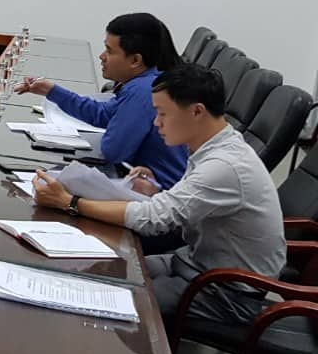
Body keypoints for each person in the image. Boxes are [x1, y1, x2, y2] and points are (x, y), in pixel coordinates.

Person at [31, 63, 284, 327]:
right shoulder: (214, 146)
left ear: (197, 111)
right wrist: (158, 191)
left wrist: (70, 202)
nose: (156, 122)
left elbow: (152, 220)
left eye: (163, 113)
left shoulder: (224, 165)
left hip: (224, 292)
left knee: (111, 301)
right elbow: (186, 204)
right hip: (195, 263)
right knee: (103, 270)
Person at [16, 13, 188, 189]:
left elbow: (113, 151)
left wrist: (118, 128)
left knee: (46, 187)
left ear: (135, 60)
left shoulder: (142, 91)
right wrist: (51, 91)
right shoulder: (146, 82)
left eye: (109, 51)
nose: (102, 56)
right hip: (143, 182)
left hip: (157, 193)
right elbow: (103, 114)